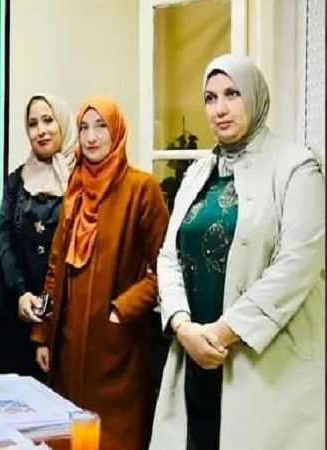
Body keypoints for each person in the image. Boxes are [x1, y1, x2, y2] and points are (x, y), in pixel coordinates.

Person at [150, 54, 325, 450]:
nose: (220, 109)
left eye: (232, 94)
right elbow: (169, 256)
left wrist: (220, 333)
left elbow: (296, 265)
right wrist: (182, 326)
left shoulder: (296, 167)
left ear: (254, 96)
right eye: (210, 98)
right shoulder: (198, 172)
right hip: (195, 359)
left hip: (265, 366)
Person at [31, 96, 169, 450]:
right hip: (68, 347)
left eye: (101, 126)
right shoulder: (75, 190)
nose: (91, 137)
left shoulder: (142, 189)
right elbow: (55, 267)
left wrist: (122, 310)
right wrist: (43, 334)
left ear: (117, 131)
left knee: (114, 439)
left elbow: (166, 269)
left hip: (118, 351)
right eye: (84, 128)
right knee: (71, 437)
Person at [0, 93, 75, 381]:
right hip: (16, 302)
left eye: (48, 120)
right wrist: (21, 292)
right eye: (33, 124)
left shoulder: (81, 179)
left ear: (62, 124)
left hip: (64, 307)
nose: (41, 130)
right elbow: (3, 236)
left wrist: (47, 302)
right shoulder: (18, 179)